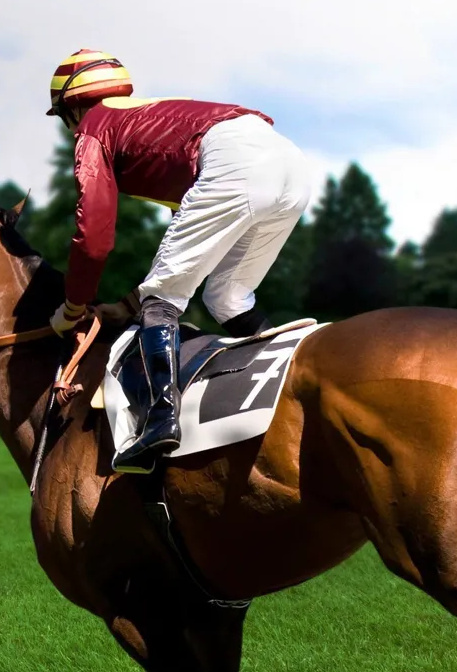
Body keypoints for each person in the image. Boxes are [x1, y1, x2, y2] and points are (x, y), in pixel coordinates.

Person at [44, 49, 312, 473]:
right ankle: (294, 384)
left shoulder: (94, 129)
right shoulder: (151, 117)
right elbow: (188, 248)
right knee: (228, 297)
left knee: (163, 300)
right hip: (291, 163)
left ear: (72, 107)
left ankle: (161, 421)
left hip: (233, 163)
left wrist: (73, 306)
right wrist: (132, 303)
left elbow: (93, 234)